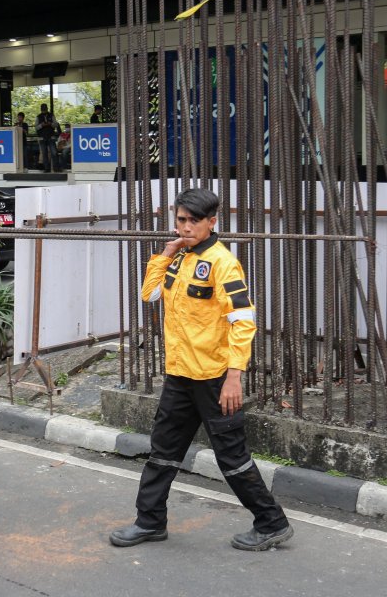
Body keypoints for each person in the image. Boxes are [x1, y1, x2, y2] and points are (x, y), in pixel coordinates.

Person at [110, 187, 293, 552]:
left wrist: (234, 377)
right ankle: (149, 521)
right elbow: (150, 295)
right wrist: (166, 253)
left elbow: (243, 321)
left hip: (213, 379)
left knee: (232, 459)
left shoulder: (223, 262)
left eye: (194, 221)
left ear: (212, 221)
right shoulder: (179, 257)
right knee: (162, 451)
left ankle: (271, 523)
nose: (186, 227)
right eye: (181, 220)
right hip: (180, 375)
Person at [35, 103, 60, 172]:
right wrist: (41, 125)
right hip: (42, 137)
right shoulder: (38, 117)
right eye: (43, 109)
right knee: (44, 153)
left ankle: (56, 167)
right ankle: (46, 168)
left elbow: (56, 125)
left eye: (45, 109)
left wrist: (50, 124)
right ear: (41, 109)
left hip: (51, 136)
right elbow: (36, 127)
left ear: (47, 108)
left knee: (54, 152)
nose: (44, 110)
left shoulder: (51, 115)